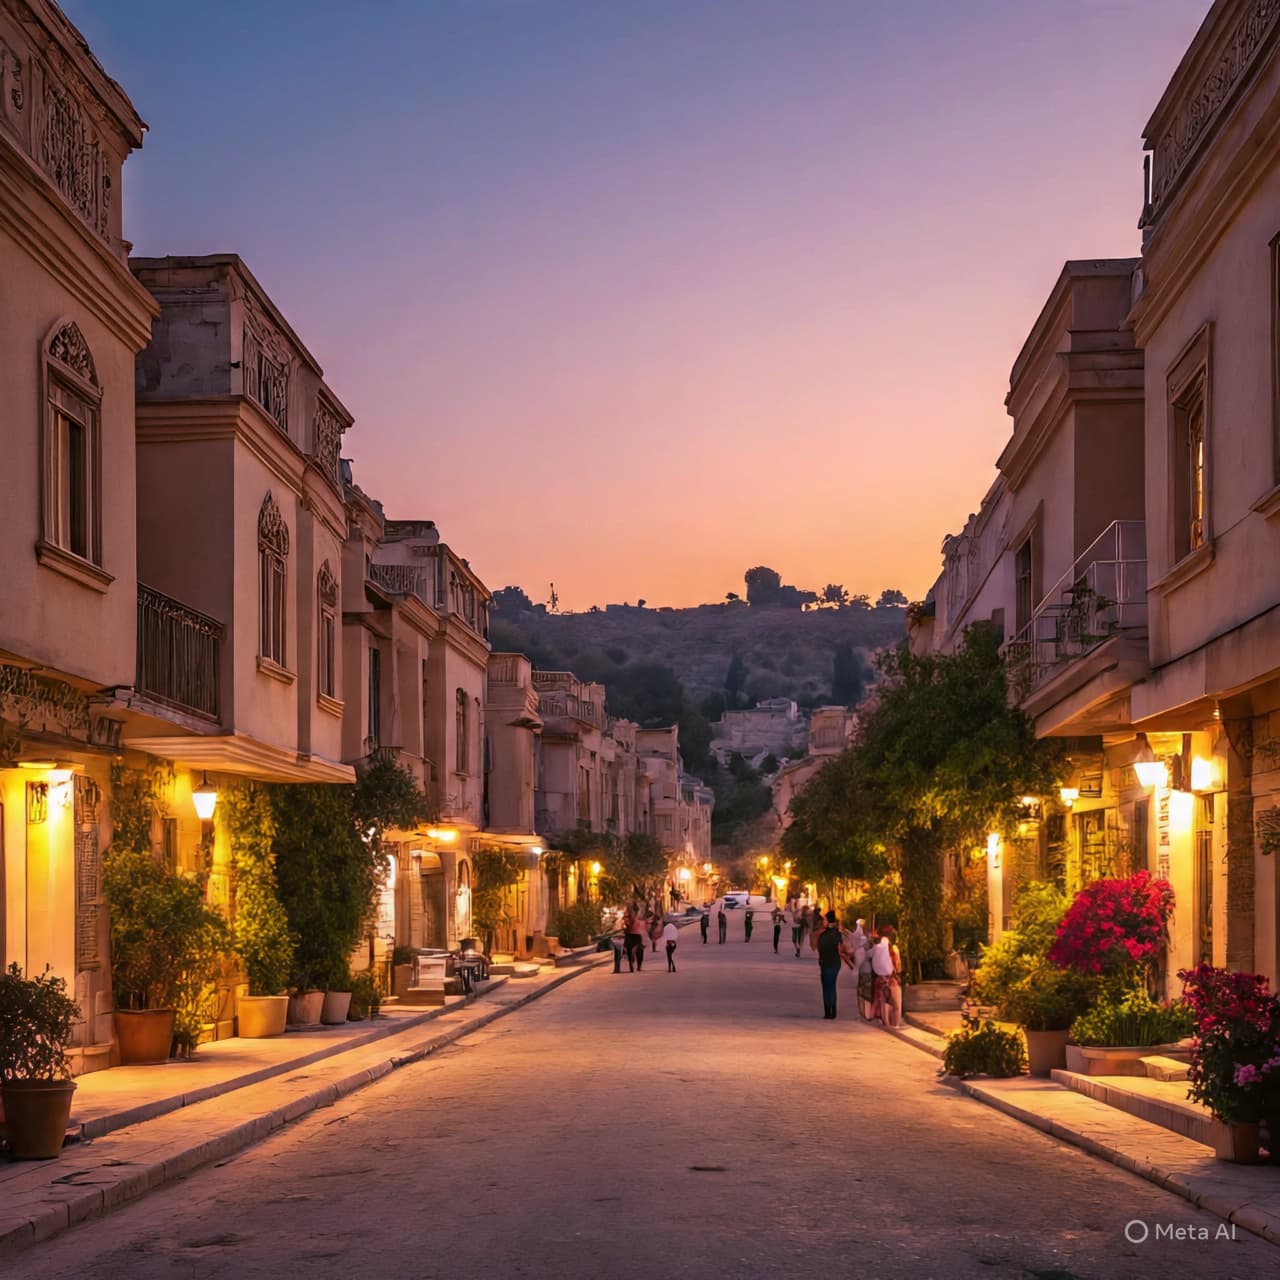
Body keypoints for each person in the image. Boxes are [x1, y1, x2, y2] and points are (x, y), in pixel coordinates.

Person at [815, 910, 851, 1019]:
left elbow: (820, 948)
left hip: (827, 963)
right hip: (834, 963)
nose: (823, 922)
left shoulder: (826, 935)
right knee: (832, 986)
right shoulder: (837, 934)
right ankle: (833, 1011)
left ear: (829, 921)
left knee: (827, 987)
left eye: (825, 920)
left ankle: (828, 1011)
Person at [871, 926, 902, 1027]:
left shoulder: (877, 947)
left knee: (883, 1001)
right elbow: (898, 967)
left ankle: (886, 1024)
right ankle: (895, 1025)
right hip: (891, 978)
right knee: (896, 1004)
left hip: (880, 978)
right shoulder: (894, 949)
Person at [624, 905, 645, 973]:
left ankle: (632, 962)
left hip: (630, 936)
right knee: (639, 951)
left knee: (631, 950)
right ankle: (637, 964)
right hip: (635, 935)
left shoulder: (627, 917)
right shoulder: (635, 917)